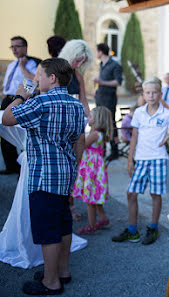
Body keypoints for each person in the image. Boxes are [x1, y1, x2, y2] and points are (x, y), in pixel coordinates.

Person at [2, 58, 85, 295]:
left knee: (48, 229)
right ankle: (63, 272)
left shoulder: (40, 102)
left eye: (39, 75)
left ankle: (51, 282)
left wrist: (20, 95)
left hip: (44, 176)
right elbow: (79, 140)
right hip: (65, 172)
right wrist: (75, 166)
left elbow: (7, 118)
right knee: (63, 224)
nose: (36, 79)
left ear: (52, 78)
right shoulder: (75, 105)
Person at [112, 77, 169, 245]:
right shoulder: (139, 113)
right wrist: (130, 160)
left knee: (155, 194)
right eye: (148, 92)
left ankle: (153, 228)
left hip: (158, 158)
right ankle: (132, 231)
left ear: (160, 94)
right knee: (131, 193)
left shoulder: (166, 114)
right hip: (141, 159)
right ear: (143, 94)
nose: (151, 95)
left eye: (154, 92)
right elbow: (134, 137)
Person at [72, 106, 113, 234]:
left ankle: (91, 226)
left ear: (97, 120)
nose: (87, 118)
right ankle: (103, 218)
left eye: (90, 116)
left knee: (90, 199)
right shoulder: (100, 134)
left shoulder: (94, 135)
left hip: (91, 169)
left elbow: (82, 145)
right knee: (94, 196)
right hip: (95, 169)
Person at [1, 36, 39, 175]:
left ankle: (23, 165)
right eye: (12, 47)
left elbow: (34, 82)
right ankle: (11, 166)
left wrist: (22, 66)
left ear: (25, 47)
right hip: (7, 99)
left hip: (21, 99)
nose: (14, 49)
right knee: (4, 132)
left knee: (21, 131)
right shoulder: (11, 64)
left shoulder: (32, 64)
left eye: (17, 46)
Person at [94, 43, 123, 160]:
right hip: (99, 97)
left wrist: (102, 82)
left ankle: (114, 150)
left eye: (97, 51)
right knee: (100, 122)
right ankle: (103, 150)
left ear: (101, 52)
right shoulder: (101, 64)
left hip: (109, 98)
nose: (96, 53)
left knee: (110, 123)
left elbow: (118, 82)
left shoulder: (115, 65)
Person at [58, 39, 94, 117]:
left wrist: (91, 119)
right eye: (77, 61)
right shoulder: (53, 70)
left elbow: (83, 100)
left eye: (83, 62)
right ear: (69, 55)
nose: (79, 65)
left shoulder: (78, 76)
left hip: (72, 118)